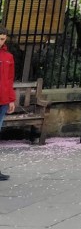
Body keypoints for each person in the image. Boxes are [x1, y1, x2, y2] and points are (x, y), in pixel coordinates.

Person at [0, 29, 15, 181]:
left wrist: (11, 99)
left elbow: (10, 79)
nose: (1, 42)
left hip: (3, 100)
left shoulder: (8, 57)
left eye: (3, 39)